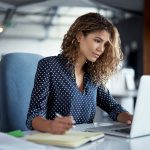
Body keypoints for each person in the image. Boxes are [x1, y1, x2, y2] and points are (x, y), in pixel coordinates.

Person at [26, 12, 132, 134]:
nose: (101, 49)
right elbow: (33, 115)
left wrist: (131, 118)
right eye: (97, 41)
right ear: (79, 36)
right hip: (56, 142)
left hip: (87, 142)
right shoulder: (49, 65)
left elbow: (113, 108)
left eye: (105, 45)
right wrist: (50, 125)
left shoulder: (93, 75)